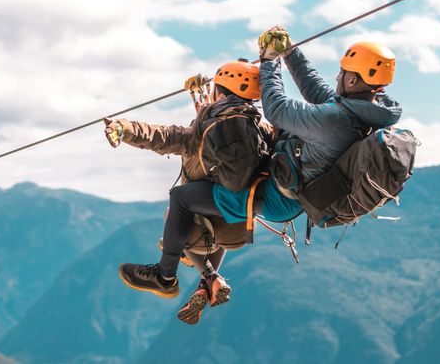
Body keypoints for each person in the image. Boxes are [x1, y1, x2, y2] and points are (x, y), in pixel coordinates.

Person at [113, 26, 402, 304]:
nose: (338, 76)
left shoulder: (332, 120)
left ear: (352, 81)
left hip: (275, 195)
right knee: (217, 199)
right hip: (289, 190)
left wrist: (269, 61)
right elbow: (316, 90)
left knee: (182, 199)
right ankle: (208, 275)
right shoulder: (363, 112)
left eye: (342, 73)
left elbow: (276, 109)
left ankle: (164, 277)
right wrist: (290, 52)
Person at [104, 59, 273, 325]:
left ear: (220, 91)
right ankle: (210, 281)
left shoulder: (203, 132)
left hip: (204, 227)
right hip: (240, 227)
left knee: (175, 213)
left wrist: (125, 129)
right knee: (198, 229)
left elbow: (161, 135)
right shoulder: (259, 129)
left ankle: (165, 276)